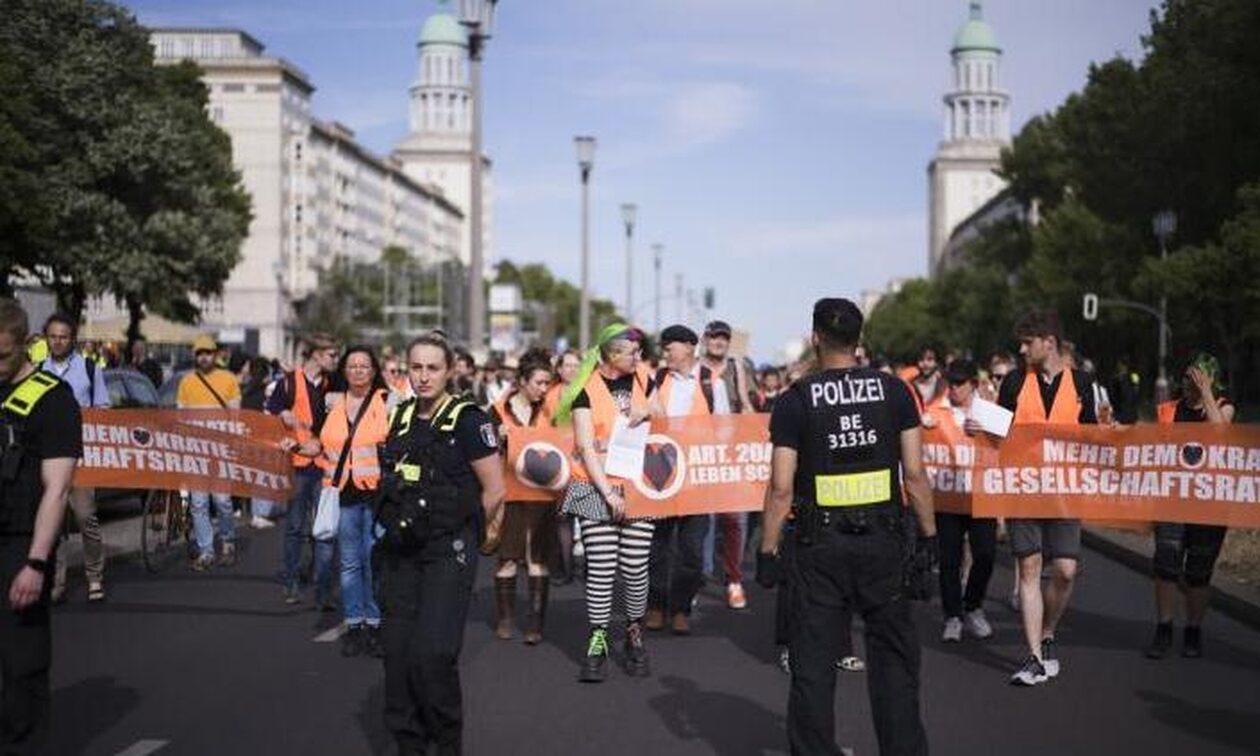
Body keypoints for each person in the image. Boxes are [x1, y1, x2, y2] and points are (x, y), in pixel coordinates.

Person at [758, 298, 933, 756]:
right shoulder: (896, 392)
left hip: (819, 548)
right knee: (894, 661)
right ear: (860, 340)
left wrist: (767, 550)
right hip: (885, 543)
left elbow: (780, 488)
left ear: (815, 338)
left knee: (813, 665)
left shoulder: (795, 400)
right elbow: (915, 475)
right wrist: (929, 538)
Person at [376, 333, 504, 755]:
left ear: (450, 371)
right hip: (401, 550)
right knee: (397, 658)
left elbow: (495, 490)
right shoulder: (401, 416)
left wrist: (467, 533)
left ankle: (447, 743)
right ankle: (409, 744)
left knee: (432, 654)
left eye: (433, 368)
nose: (424, 376)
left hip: (447, 551)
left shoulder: (469, 419)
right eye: (416, 367)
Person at [995, 310, 1098, 686]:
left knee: (1066, 571)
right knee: (1029, 570)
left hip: (1066, 491)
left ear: (1048, 342)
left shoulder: (1083, 383)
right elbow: (999, 434)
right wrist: (981, 425)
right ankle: (1033, 658)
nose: (1021, 349)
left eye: (1027, 342)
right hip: (1024, 490)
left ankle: (1048, 632)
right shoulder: (1013, 383)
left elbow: (1094, 437)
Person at [0, 299, 82, 754]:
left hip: (19, 543)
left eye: (3, 356)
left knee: (21, 663)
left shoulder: (53, 401)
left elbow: (57, 489)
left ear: (26, 346)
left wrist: (36, 562)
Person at [555, 323, 656, 683]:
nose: (638, 357)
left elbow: (661, 413)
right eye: (632, 352)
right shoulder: (584, 389)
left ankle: (633, 629)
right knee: (600, 567)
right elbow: (585, 446)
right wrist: (608, 493)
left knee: (635, 567)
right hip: (594, 487)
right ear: (613, 355)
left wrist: (647, 412)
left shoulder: (645, 379)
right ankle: (598, 636)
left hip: (639, 487)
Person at [286, 346, 391, 658]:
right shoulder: (331, 404)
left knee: (374, 562)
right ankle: (355, 624)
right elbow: (317, 443)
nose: (358, 371)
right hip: (341, 495)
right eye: (352, 366)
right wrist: (297, 446)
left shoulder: (388, 403)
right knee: (348, 563)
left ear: (374, 371)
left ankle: (374, 624)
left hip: (377, 498)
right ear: (344, 371)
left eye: (364, 366)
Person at [1146, 353, 1235, 659]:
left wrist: (1207, 392)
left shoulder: (1223, 407)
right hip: (1172, 500)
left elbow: (1221, 436)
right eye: (1186, 378)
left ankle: (1193, 631)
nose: (1188, 385)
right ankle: (1164, 628)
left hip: (1209, 505)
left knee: (1198, 573)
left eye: (1195, 379)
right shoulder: (1169, 410)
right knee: (1166, 565)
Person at [644, 325, 714, 635]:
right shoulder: (655, 380)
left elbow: (727, 427)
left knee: (692, 550)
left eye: (669, 347)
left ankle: (681, 607)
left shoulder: (712, 384)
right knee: (657, 546)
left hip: (697, 480)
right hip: (660, 475)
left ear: (688, 347)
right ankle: (656, 606)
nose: (665, 353)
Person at [38, 313, 110, 603]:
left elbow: (103, 409)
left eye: (63, 336)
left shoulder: (90, 369)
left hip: (81, 459)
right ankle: (56, 580)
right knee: (52, 523)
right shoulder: (37, 370)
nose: (57, 341)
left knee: (85, 518)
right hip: (48, 459)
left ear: (72, 339)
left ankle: (95, 576)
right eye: (52, 336)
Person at [486, 348, 556, 644]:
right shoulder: (497, 411)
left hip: (543, 494)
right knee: (508, 559)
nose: (544, 389)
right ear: (523, 381)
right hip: (509, 493)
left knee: (538, 558)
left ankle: (535, 625)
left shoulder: (552, 411)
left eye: (546, 383)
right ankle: (505, 620)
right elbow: (482, 451)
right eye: (539, 382)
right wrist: (496, 436)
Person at [926, 359, 997, 643]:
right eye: (951, 383)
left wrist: (986, 432)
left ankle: (973, 605)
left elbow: (1010, 446)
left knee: (986, 554)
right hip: (947, 497)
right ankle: (953, 615)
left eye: (960, 383)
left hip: (981, 496)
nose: (954, 389)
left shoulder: (990, 411)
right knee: (949, 560)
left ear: (973, 384)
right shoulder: (934, 412)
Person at [269, 333, 339, 606]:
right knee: (296, 527)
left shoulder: (332, 385)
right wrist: (281, 414)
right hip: (298, 466)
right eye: (332, 355)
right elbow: (272, 409)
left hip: (325, 465)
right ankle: (291, 582)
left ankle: (323, 591)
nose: (336, 360)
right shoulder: (288, 383)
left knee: (324, 530)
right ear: (317, 355)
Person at [701, 319, 756, 610]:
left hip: (733, 452)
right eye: (714, 337)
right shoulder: (694, 370)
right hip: (702, 454)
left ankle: (734, 580)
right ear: (705, 339)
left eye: (723, 338)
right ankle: (697, 577)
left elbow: (746, 404)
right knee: (701, 519)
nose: (718, 342)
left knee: (737, 519)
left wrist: (751, 418)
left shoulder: (738, 369)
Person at [177, 335, 242, 570]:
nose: (203, 357)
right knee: (198, 503)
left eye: (207, 352)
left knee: (223, 501)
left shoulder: (228, 379)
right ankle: (206, 550)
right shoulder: (186, 382)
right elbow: (181, 417)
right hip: (196, 451)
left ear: (215, 355)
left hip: (221, 450)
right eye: (199, 353)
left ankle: (227, 542)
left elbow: (235, 416)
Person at [544, 349, 582, 584]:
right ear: (558, 369)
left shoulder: (591, 392)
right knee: (563, 517)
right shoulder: (550, 395)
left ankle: (590, 570)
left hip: (586, 461)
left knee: (589, 516)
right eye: (566, 365)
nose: (571, 370)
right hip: (560, 462)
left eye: (576, 365)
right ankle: (566, 569)